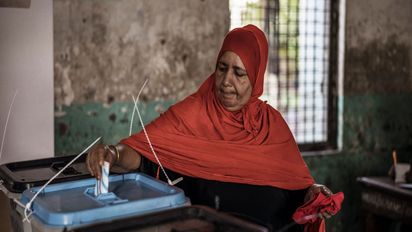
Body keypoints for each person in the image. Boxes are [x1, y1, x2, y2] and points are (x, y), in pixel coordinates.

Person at [87, 24, 337, 231]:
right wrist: (113, 153)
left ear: (256, 77)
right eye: (222, 68)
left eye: (239, 73)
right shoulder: (191, 114)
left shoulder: (272, 126)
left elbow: (298, 186)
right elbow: (142, 152)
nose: (227, 81)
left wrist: (313, 193)